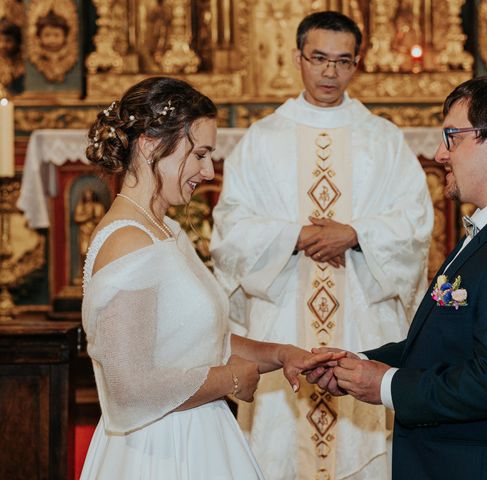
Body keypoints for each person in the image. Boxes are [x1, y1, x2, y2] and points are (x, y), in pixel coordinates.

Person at [307, 74, 487, 479]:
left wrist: (386, 385)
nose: (440, 153)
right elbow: (447, 347)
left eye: (453, 136)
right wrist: (360, 365)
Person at [211, 10, 433, 480]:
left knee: (366, 447)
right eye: (319, 58)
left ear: (357, 64)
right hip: (283, 315)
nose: (330, 71)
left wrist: (355, 234)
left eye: (342, 60)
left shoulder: (384, 140)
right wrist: (293, 237)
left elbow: (415, 224)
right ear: (298, 58)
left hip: (362, 319)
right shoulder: (261, 140)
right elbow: (230, 231)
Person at [80, 76, 339, 479]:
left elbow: (195, 339)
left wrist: (282, 354)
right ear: (150, 144)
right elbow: (128, 390)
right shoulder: (128, 242)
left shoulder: (163, 229)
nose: (208, 169)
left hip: (195, 433)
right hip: (159, 451)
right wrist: (231, 378)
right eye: (199, 153)